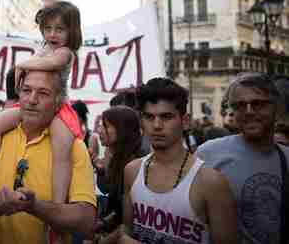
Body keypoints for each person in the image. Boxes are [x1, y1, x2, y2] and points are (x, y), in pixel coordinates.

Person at [0, 0, 81, 243]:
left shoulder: (65, 52)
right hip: (33, 106)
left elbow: (49, 65)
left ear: (71, 31)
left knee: (62, 148)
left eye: (59, 29)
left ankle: (57, 211)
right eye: (48, 28)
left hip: (57, 109)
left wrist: (24, 65)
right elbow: (48, 4)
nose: (53, 33)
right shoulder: (46, 43)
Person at [0, 70, 96, 244]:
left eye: (43, 93)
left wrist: (34, 206)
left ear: (58, 103)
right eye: (26, 90)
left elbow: (86, 221)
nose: (32, 100)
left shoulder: (73, 147)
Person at [120, 77, 237, 244]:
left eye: (166, 117)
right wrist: (123, 237)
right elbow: (128, 227)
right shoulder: (132, 170)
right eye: (149, 117)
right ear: (142, 121)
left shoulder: (211, 182)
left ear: (185, 121)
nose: (157, 125)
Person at [197, 73, 289, 244]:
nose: (248, 111)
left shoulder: (286, 157)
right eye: (239, 106)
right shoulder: (208, 153)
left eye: (258, 104)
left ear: (275, 107)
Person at [93, 106, 143, 244]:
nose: (99, 130)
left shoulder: (133, 166)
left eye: (106, 126)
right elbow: (115, 206)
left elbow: (127, 221)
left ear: (122, 129)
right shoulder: (116, 160)